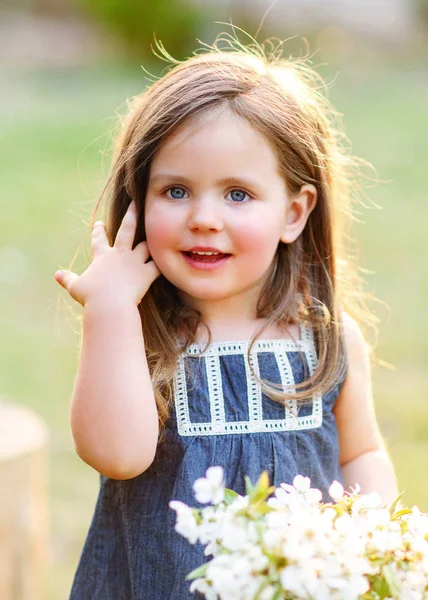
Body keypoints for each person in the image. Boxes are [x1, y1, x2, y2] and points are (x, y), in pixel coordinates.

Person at [54, 38, 399, 600]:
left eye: (237, 194)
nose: (204, 218)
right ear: (138, 202)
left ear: (293, 212)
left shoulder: (327, 341)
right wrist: (111, 313)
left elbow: (361, 452)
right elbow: (117, 455)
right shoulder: (137, 339)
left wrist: (369, 541)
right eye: (176, 190)